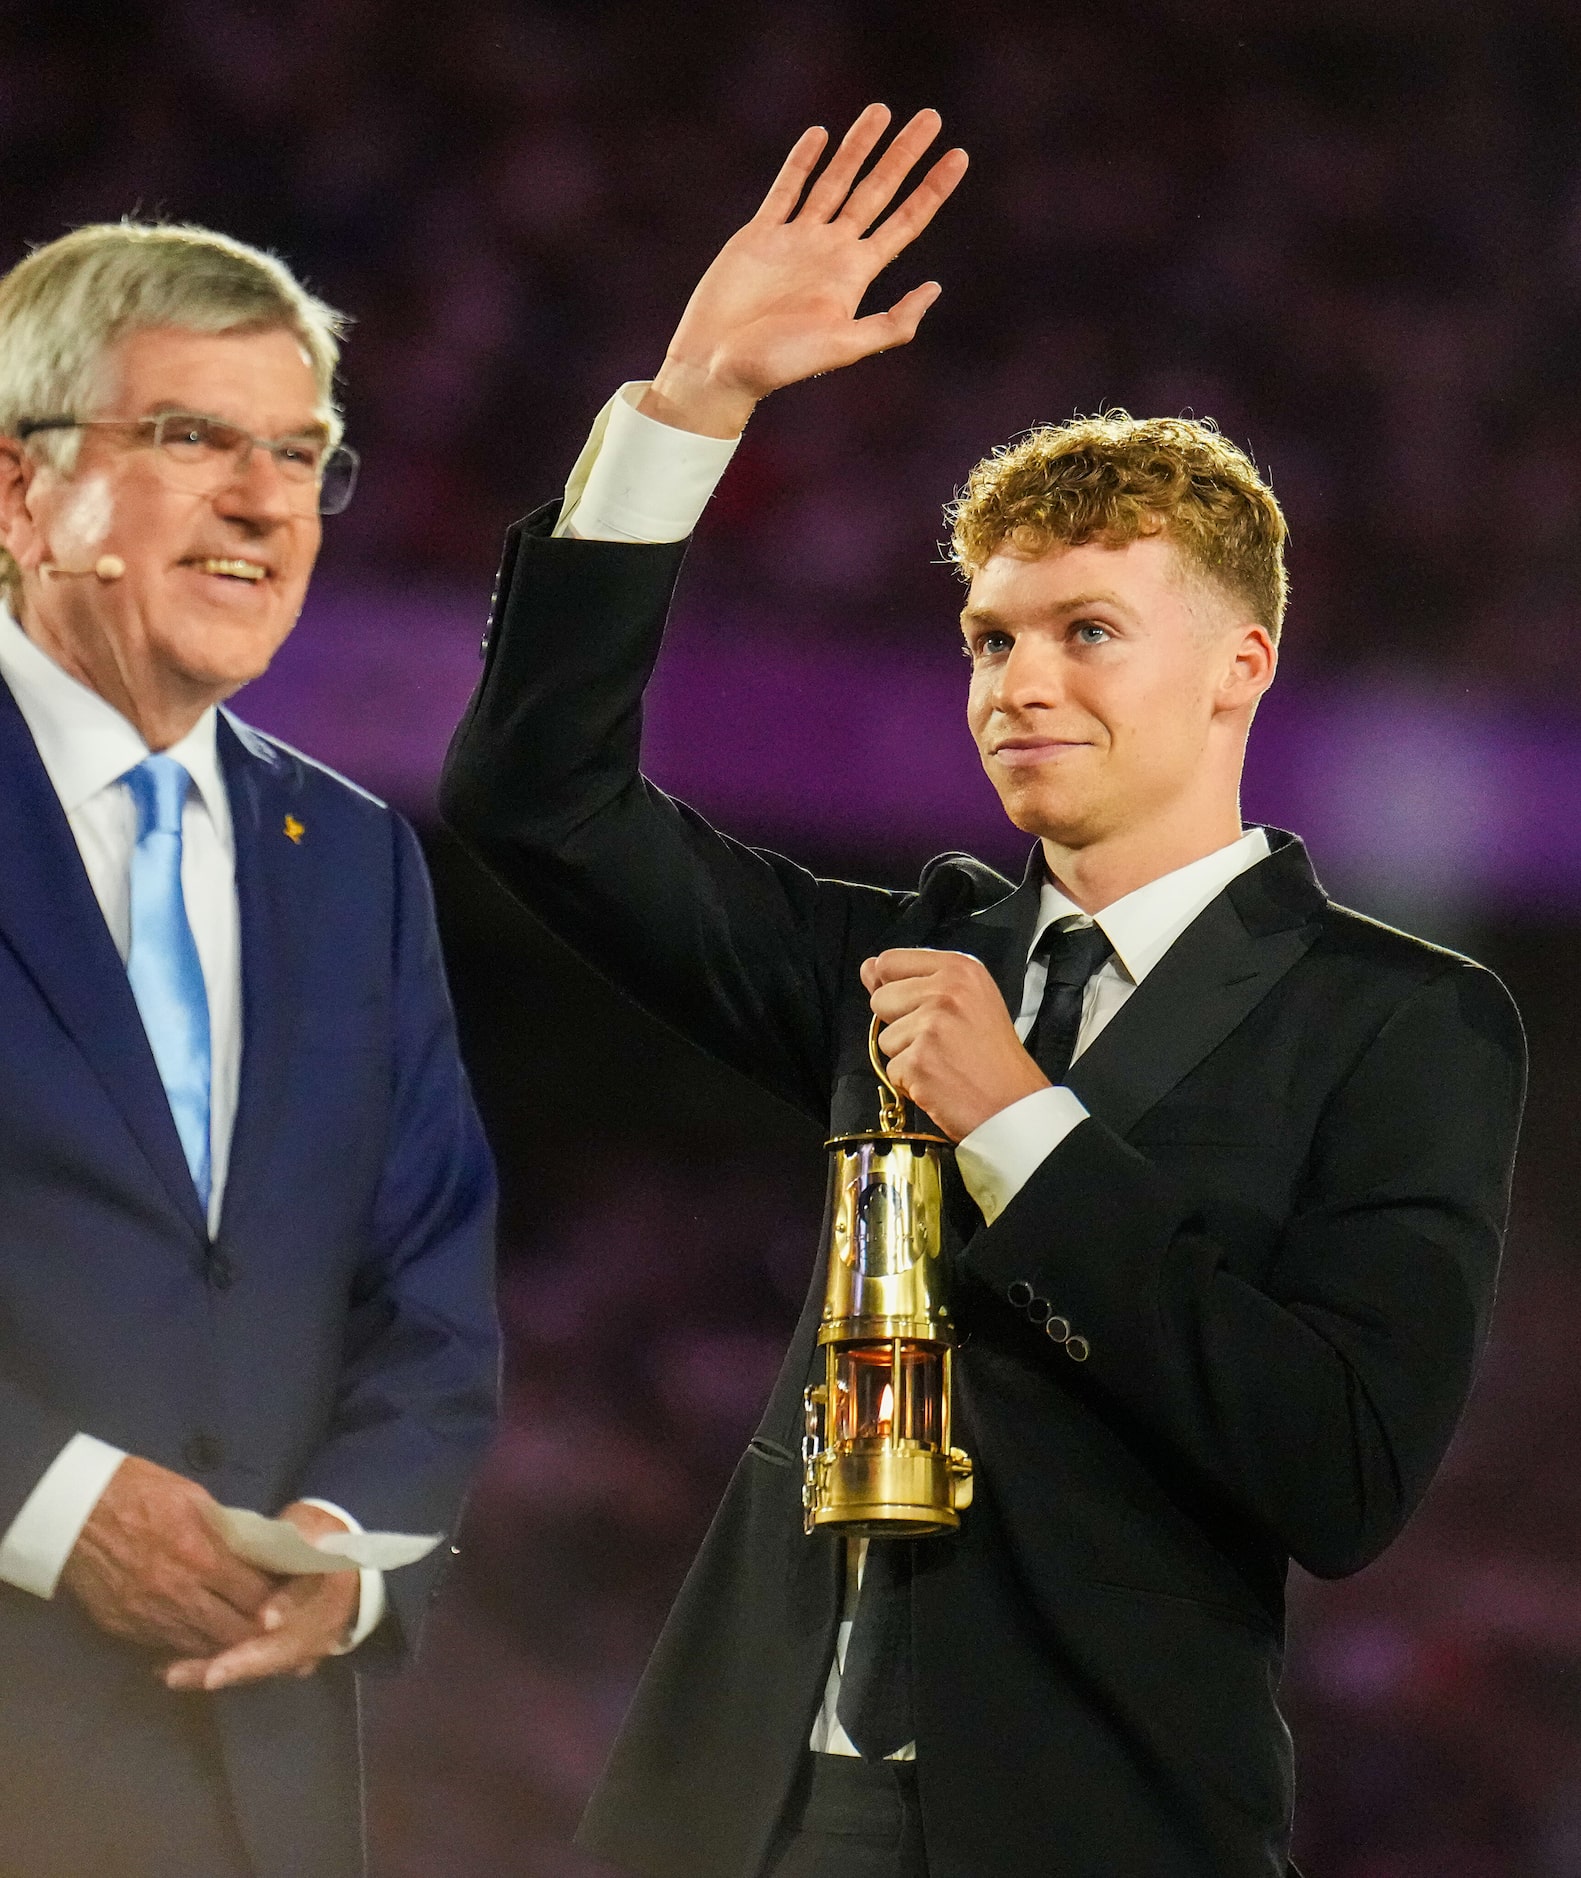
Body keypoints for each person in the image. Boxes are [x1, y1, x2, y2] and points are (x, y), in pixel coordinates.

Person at [441, 106, 1525, 1878]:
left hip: (1087, 1828)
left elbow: (1341, 1471)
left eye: (1085, 629)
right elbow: (533, 801)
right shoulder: (899, 960)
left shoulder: (1399, 1020)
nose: (1018, 681)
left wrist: (1022, 1123)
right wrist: (686, 409)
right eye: (989, 638)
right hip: (740, 1817)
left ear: (1237, 665)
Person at [0, 222, 499, 1878]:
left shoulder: (354, 859)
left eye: (301, 455)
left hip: (255, 1798)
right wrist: (53, 1504)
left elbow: (432, 1294)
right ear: (19, 491)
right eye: (193, 438)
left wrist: (346, 1551)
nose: (267, 502)